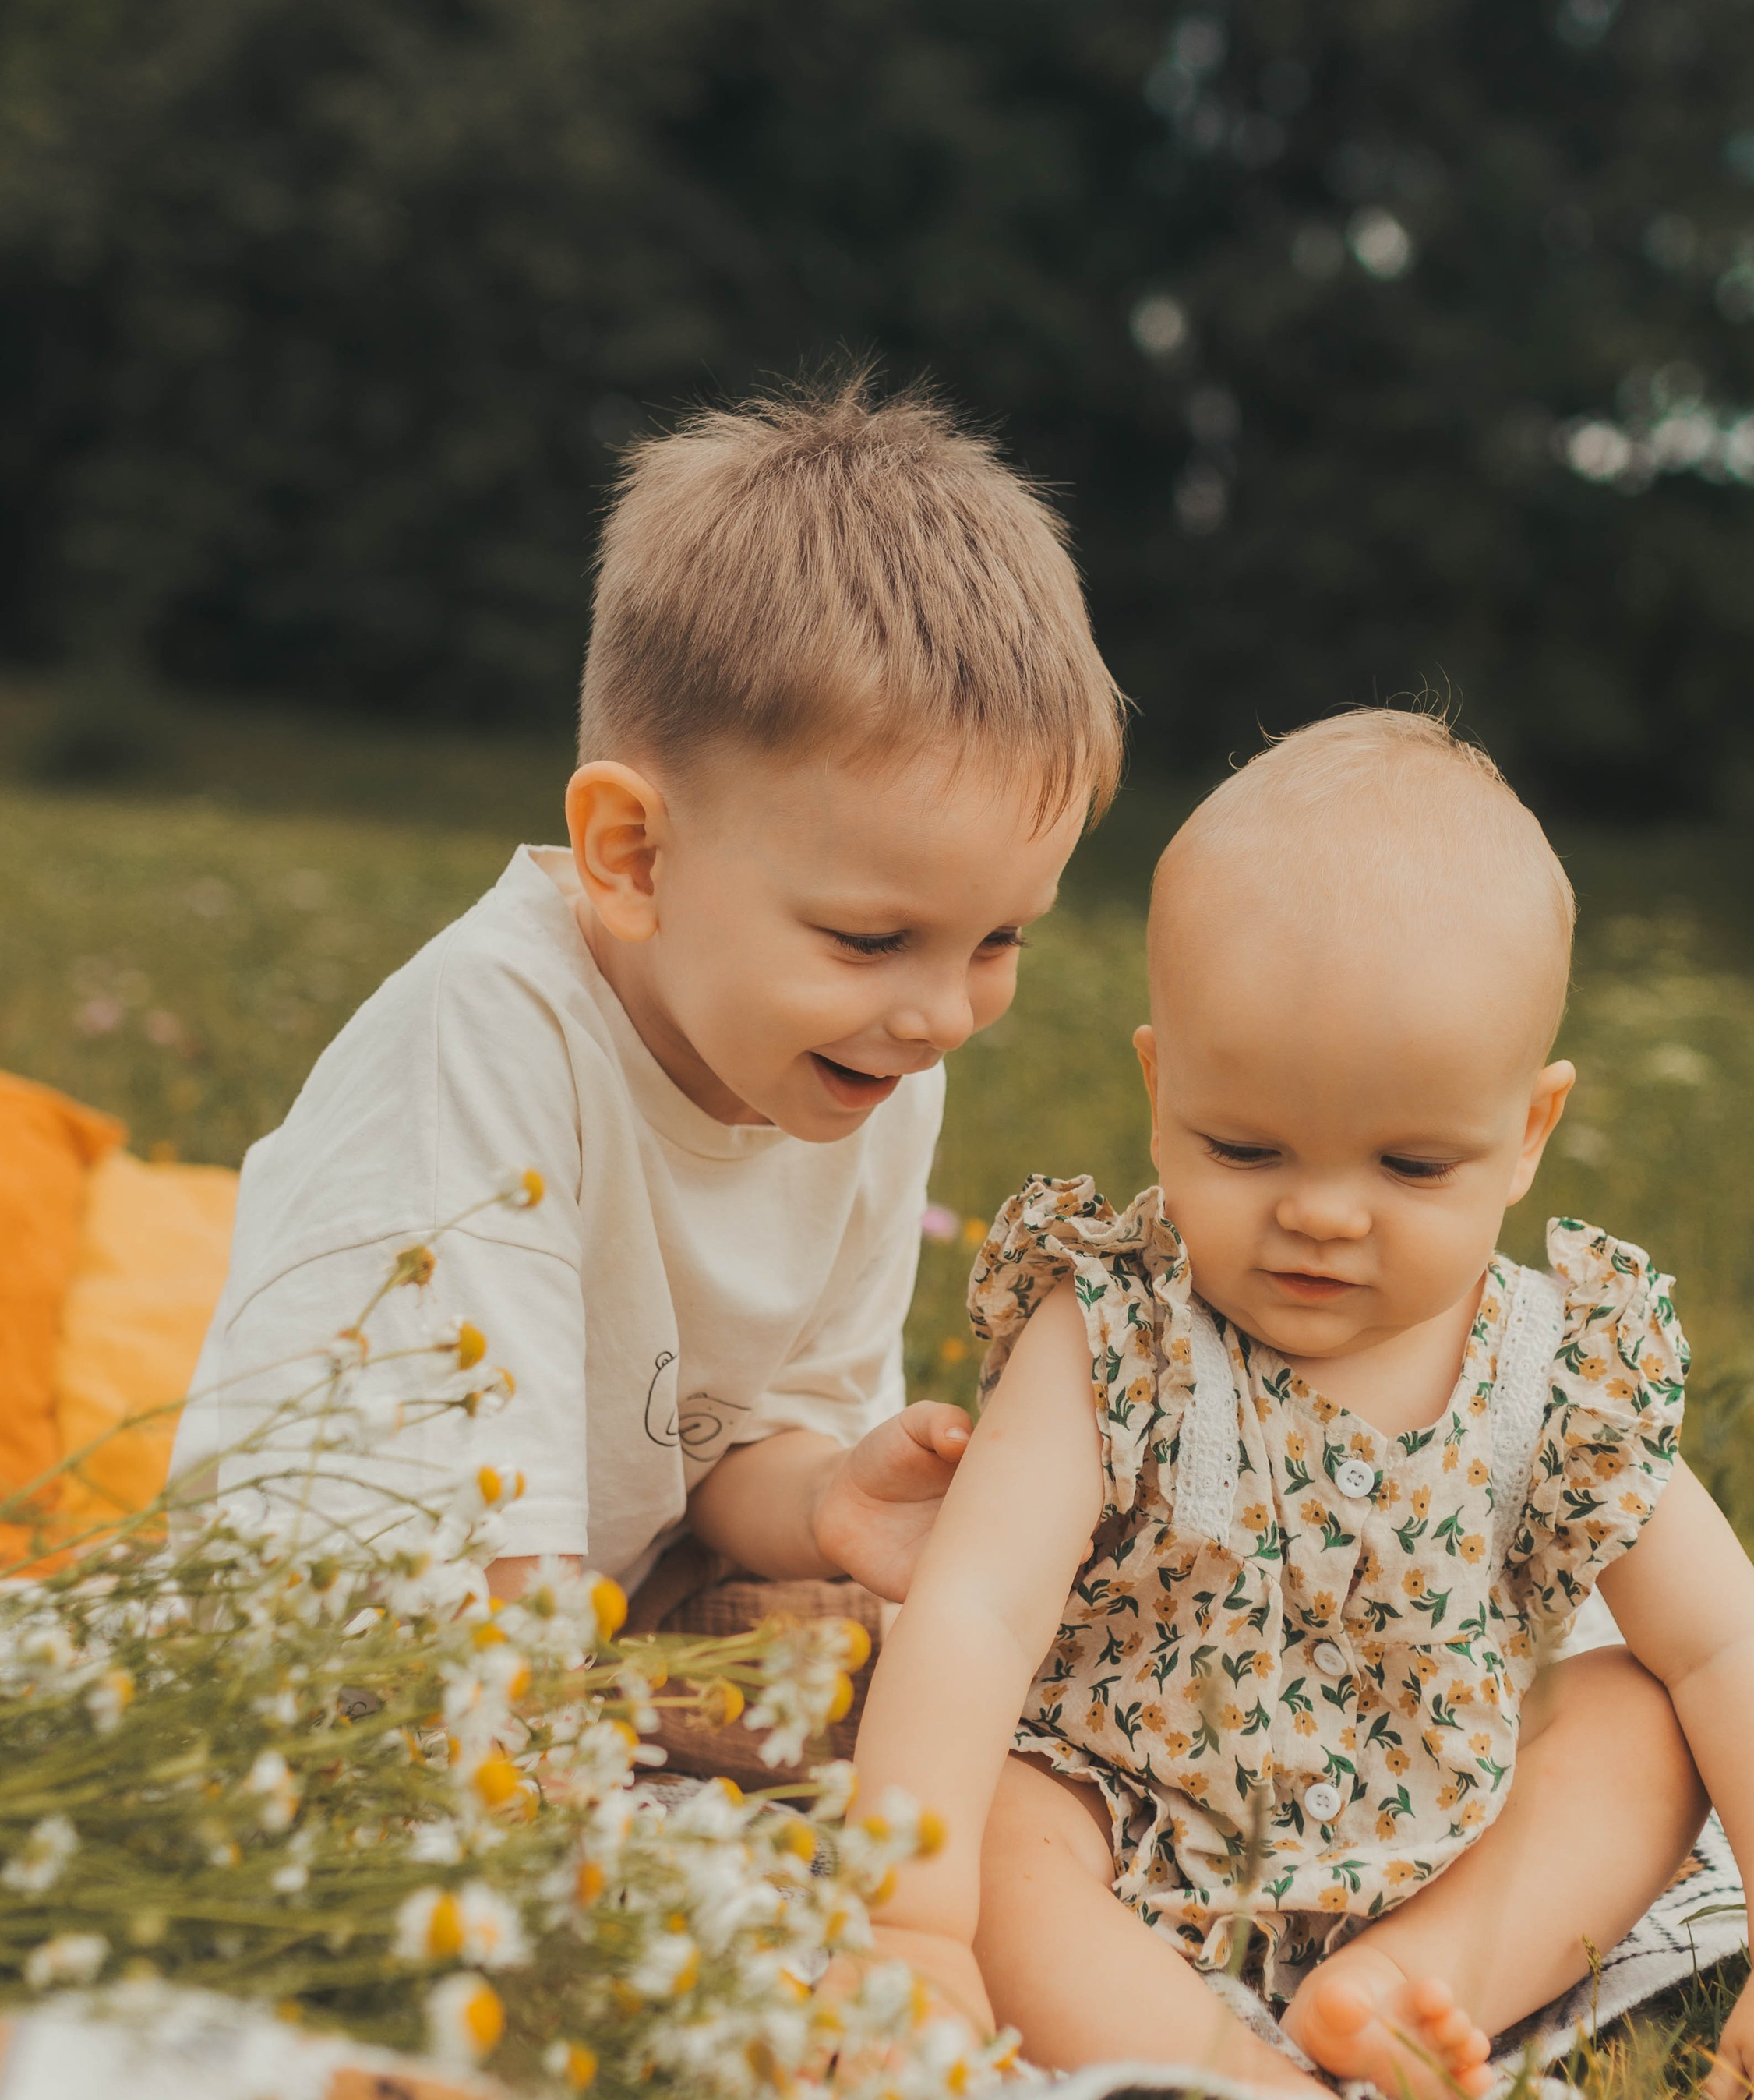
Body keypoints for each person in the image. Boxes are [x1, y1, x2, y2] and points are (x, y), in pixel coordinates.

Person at [849, 708, 1754, 2100]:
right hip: (1132, 1806)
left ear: (1529, 1130)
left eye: (1412, 1165)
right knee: (1008, 1846)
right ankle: (1232, 2094)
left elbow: (1735, 1650)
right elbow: (972, 1612)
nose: (1324, 1216)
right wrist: (909, 1924)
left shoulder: (1554, 1371)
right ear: (1162, 1092)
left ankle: (1411, 1984)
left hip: (1445, 1824)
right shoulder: (1113, 1334)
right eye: (1247, 1149)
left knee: (1652, 1721)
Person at [172, 377, 1125, 1612]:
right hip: (336, 1647)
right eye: (872, 937)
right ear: (633, 855)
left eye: (998, 940)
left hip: (583, 1631)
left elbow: (732, 1447)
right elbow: (477, 1552)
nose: (942, 1016)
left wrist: (826, 1495)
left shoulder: (865, 1065)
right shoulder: (491, 1039)